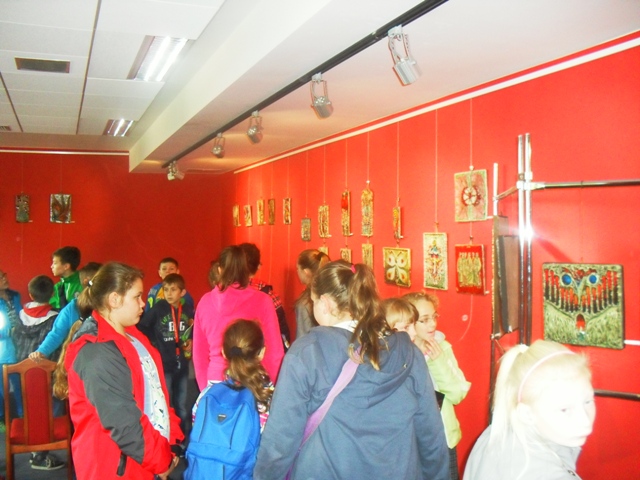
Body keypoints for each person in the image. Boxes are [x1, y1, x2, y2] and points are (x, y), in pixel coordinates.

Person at [254, 261, 449, 479]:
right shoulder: (408, 352)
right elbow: (431, 433)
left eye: (313, 301)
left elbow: (280, 439)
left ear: (325, 303)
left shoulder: (307, 353)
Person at [65, 262, 183, 479]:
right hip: (116, 466)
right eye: (137, 297)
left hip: (148, 456)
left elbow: (158, 395)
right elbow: (124, 423)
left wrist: (171, 442)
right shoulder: (97, 352)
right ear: (114, 300)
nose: (142, 303)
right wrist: (162, 460)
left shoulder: (135, 337)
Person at [463, 340, 596, 480]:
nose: (585, 421)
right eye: (564, 409)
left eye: (588, 401)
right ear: (527, 414)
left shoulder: (497, 432)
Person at [193, 246, 284, 389]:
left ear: (219, 270)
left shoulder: (205, 302)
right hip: (253, 378)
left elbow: (199, 355)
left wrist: (205, 389)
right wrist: (274, 386)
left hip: (216, 380)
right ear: (246, 271)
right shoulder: (263, 301)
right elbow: (274, 353)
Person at [404, 292, 471, 480]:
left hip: (443, 439)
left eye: (434, 317)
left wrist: (438, 361)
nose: (433, 324)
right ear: (410, 322)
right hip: (411, 441)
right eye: (425, 320)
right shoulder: (400, 351)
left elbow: (458, 393)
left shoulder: (443, 347)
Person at [138, 273, 194, 438]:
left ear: (182, 292)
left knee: (182, 404)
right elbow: (142, 327)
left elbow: (192, 329)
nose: (169, 293)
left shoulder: (188, 309)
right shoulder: (158, 308)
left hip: (182, 363)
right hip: (164, 363)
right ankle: (169, 438)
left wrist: (190, 340)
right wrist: (154, 343)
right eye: (166, 289)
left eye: (173, 289)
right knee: (166, 402)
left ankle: (183, 438)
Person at [30, 262, 102, 362]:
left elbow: (56, 334)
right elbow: (56, 334)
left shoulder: (112, 305)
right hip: (79, 362)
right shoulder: (73, 307)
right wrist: (41, 352)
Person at [239, 242, 291, 349]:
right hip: (261, 351)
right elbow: (281, 330)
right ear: (258, 266)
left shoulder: (225, 292)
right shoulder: (268, 294)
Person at [0, 270, 23, 432]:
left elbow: (22, 317)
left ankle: (22, 416)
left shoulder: (15, 296)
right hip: (2, 351)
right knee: (1, 389)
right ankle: (2, 418)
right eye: (0, 277)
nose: (4, 279)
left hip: (19, 348)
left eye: (4, 275)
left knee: (20, 385)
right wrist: (7, 332)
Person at [293, 249, 329, 340]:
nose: (297, 272)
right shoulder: (331, 293)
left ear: (306, 271)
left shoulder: (305, 302)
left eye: (297, 268)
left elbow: (303, 337)